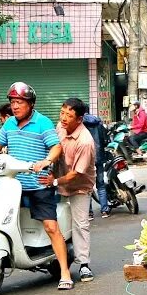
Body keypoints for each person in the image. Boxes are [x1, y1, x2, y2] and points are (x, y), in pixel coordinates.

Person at [0, 82, 74, 290]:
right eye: (13, 102)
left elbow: (56, 147)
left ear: (30, 104)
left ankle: (65, 273)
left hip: (38, 186)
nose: (15, 106)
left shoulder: (43, 123)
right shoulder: (9, 124)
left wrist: (46, 161)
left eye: (19, 102)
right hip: (12, 186)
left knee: (51, 227)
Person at [56, 98, 97, 281]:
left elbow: (76, 174)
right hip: (57, 181)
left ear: (79, 119)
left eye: (69, 115)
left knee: (80, 224)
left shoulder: (85, 141)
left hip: (79, 186)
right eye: (62, 112)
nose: (64, 118)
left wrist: (55, 182)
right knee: (54, 221)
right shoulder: (59, 127)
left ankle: (84, 264)